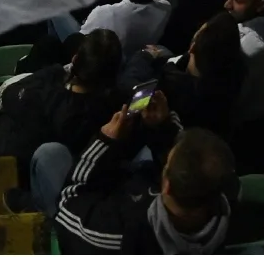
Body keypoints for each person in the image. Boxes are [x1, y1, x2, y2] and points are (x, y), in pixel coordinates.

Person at [55, 98, 237, 254]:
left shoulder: (119, 234)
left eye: (167, 164)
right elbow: (192, 165)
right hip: (131, 190)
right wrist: (163, 125)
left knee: (50, 155)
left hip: (97, 210)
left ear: (167, 186)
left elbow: (66, 205)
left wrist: (104, 141)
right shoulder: (226, 196)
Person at [0, 29, 124, 213]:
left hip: (50, 183)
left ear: (76, 59)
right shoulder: (116, 108)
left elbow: (9, 96)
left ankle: (35, 204)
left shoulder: (48, 97)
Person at [120, 13, 247, 137]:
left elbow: (130, 87)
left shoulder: (167, 88)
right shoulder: (233, 74)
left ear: (192, 47)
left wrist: (144, 55)